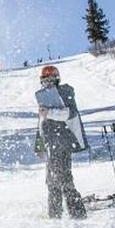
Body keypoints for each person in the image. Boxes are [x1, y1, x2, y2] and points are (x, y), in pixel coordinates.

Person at [33, 65, 88, 219]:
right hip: (50, 142)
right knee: (51, 181)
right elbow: (41, 124)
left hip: (63, 140)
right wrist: (39, 145)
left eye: (51, 79)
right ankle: (54, 215)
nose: (48, 82)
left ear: (57, 79)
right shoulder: (42, 97)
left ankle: (78, 215)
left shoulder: (65, 91)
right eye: (45, 79)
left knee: (64, 179)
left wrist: (49, 112)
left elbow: (70, 113)